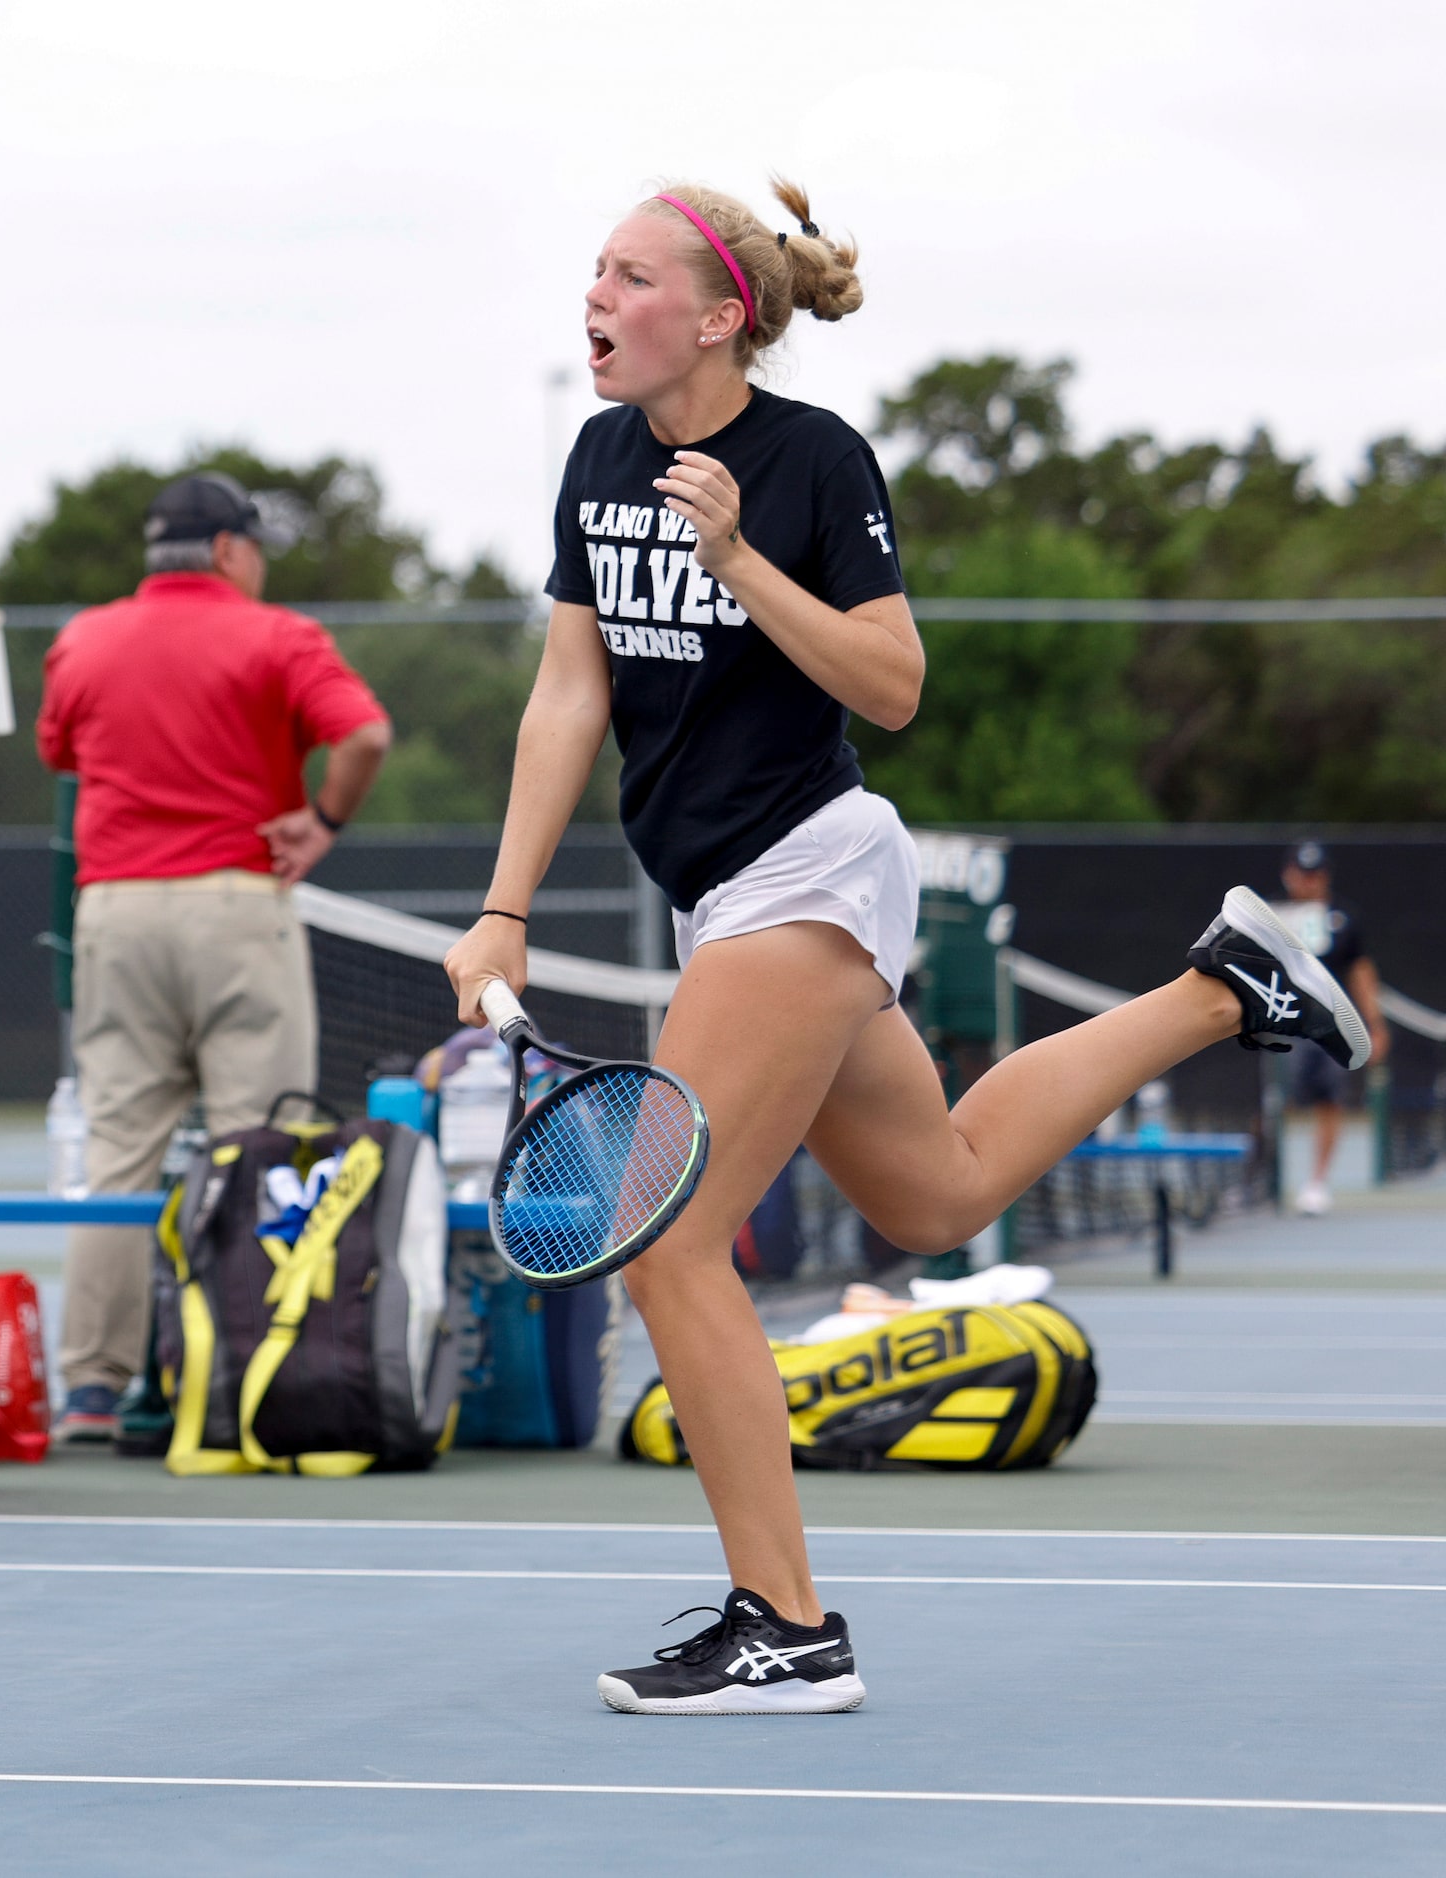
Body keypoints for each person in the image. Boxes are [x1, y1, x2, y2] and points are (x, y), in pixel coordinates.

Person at [440, 179, 1371, 1716]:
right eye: (591, 271)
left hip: (803, 870)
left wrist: (741, 560)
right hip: (724, 895)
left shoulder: (812, 461)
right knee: (935, 1192)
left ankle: (786, 1624)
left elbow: (894, 684)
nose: (592, 297)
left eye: (629, 275)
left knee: (665, 1239)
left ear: (722, 312)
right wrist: (503, 905)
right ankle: (1225, 989)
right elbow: (568, 692)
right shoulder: (600, 458)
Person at [35, 474, 392, 1438]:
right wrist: (319, 822)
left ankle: (95, 1394)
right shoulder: (278, 636)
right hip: (238, 908)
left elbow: (61, 752)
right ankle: (245, 1384)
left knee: (117, 1153)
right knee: (257, 1149)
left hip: (115, 910)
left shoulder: (85, 638)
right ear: (231, 551)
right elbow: (362, 734)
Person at [1277, 838, 1390, 1214]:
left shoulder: (1344, 917)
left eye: (1317, 874)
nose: (1310, 881)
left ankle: (1316, 1181)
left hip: (1329, 1027)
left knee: (1329, 1101)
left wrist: (1374, 1024)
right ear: (1289, 875)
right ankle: (1259, 1179)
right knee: (1277, 1099)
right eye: (1303, 874)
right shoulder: (1269, 919)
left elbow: (1360, 970)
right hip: (1282, 1024)